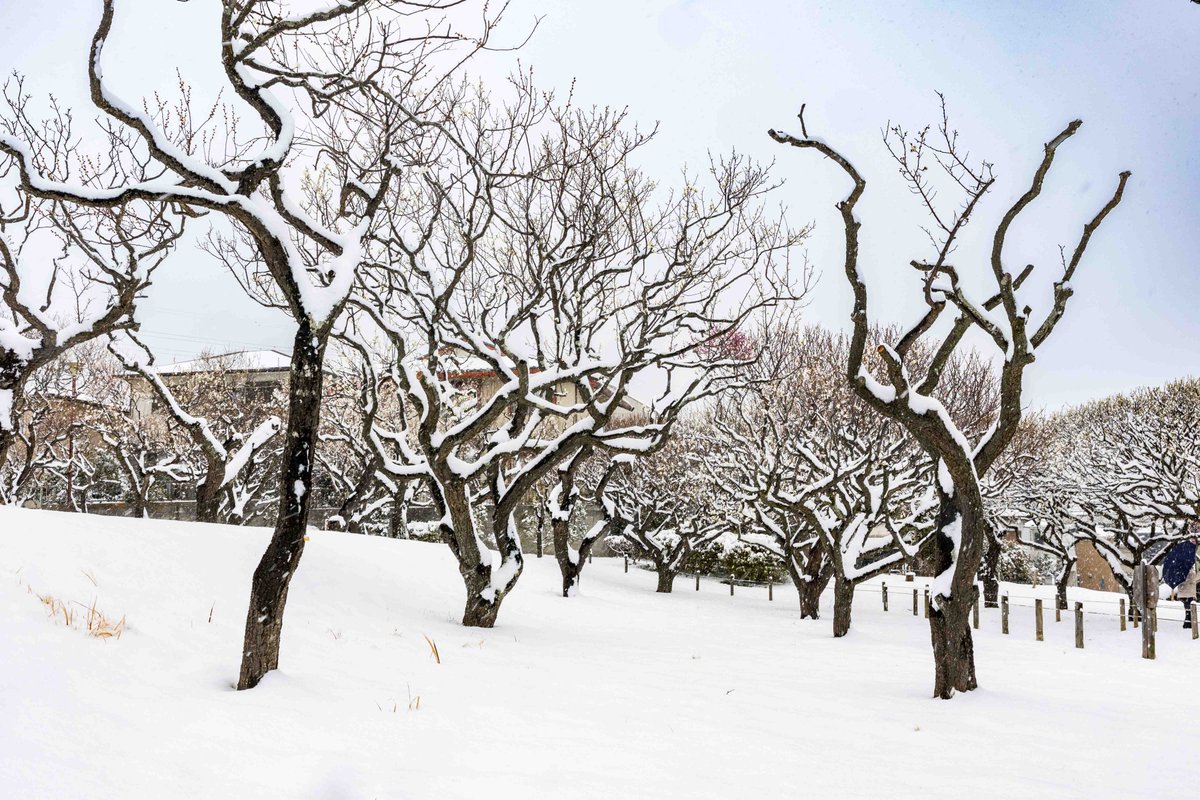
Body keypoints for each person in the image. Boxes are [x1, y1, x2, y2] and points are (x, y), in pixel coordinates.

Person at [1177, 538, 1200, 629]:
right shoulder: (1189, 571)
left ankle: (1188, 624)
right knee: (1189, 610)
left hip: (1184, 593)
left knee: (1188, 610)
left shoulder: (1181, 569)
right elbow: (1193, 579)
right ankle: (1188, 625)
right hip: (1188, 593)